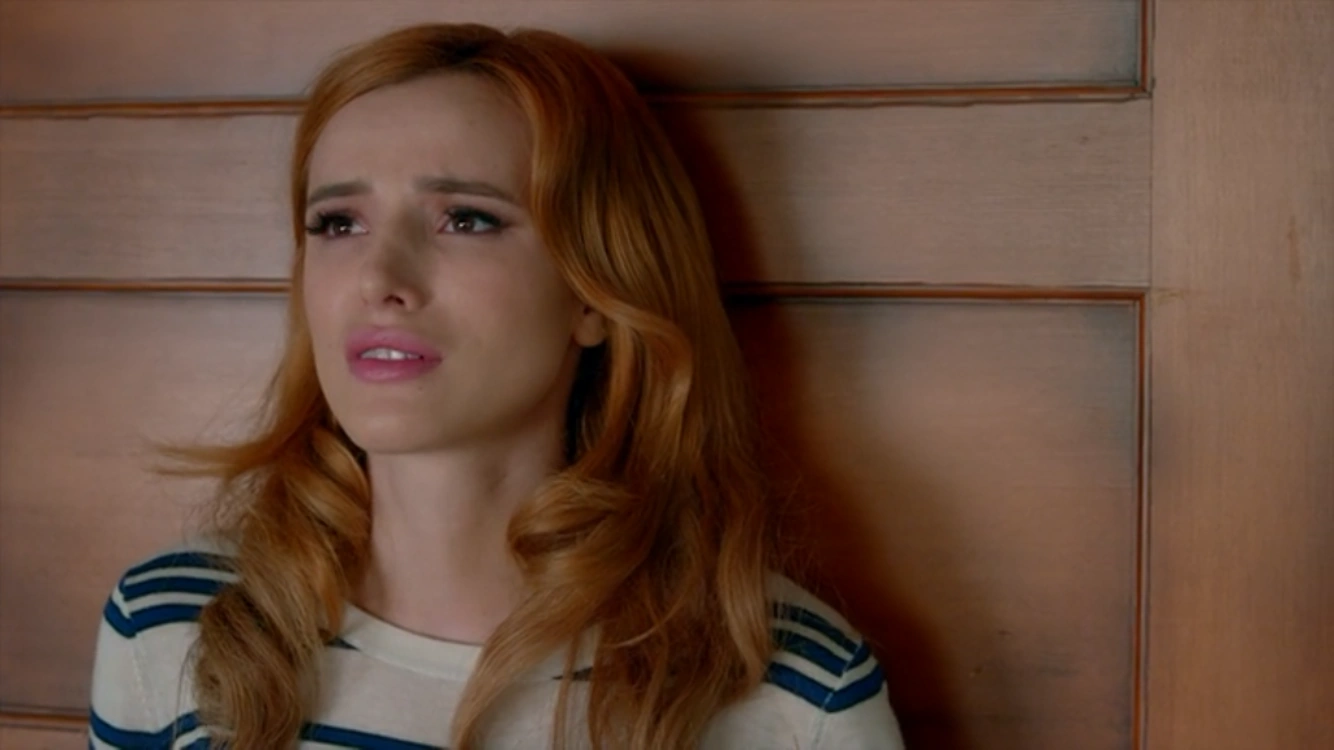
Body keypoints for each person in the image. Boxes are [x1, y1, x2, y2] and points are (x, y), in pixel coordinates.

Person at [88, 22, 905, 750]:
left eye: (465, 219)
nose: (378, 277)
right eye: (338, 223)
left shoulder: (793, 694)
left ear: (593, 294)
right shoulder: (174, 622)